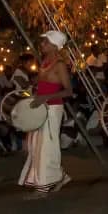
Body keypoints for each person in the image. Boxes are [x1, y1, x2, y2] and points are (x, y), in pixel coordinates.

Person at [18, 31, 73, 197]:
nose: (41, 45)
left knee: (46, 147)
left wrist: (46, 97)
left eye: (45, 42)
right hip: (41, 108)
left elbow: (69, 91)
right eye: (42, 42)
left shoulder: (60, 65)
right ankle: (59, 176)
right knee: (36, 146)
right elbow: (42, 84)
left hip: (53, 109)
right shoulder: (45, 62)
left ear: (54, 45)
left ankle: (43, 187)